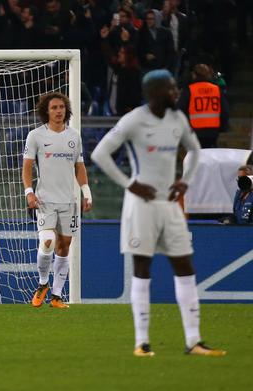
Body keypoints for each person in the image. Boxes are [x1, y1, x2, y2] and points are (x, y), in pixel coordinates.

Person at [91, 69, 226, 357]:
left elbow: (196, 150)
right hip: (141, 206)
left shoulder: (178, 118)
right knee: (143, 268)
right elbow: (99, 153)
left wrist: (185, 181)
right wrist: (130, 184)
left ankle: (194, 341)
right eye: (172, 88)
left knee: (185, 265)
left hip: (169, 204)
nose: (177, 92)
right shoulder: (134, 120)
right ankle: (142, 343)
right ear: (154, 93)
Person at [22, 92, 92, 309]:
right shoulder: (35, 136)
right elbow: (26, 167)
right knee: (47, 242)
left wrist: (86, 192)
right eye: (54, 107)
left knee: (65, 246)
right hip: (44, 201)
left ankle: (57, 296)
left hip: (68, 202)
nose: (59, 111)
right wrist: (29, 192)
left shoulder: (74, 136)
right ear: (46, 111)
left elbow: (79, 167)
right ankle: (42, 283)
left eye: (61, 107)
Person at [177, 64, 230, 149]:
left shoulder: (189, 90)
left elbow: (180, 110)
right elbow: (225, 111)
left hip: (194, 130)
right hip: (213, 131)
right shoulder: (216, 89)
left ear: (194, 75)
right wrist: (222, 127)